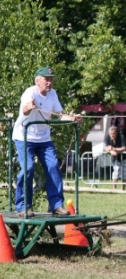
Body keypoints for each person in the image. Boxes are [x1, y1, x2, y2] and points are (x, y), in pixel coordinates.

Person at [12, 66, 81, 217]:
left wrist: (73, 119)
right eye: (46, 79)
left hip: (44, 139)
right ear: (38, 81)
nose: (49, 83)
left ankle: (56, 205)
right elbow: (24, 110)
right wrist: (29, 107)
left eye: (51, 80)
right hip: (25, 137)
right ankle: (23, 207)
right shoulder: (30, 92)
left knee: (53, 166)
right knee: (28, 169)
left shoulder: (53, 94)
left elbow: (60, 115)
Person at [104, 126, 126, 190]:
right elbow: (105, 147)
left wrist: (114, 149)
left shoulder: (121, 137)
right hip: (115, 158)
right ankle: (114, 188)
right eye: (111, 133)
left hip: (124, 157)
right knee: (116, 172)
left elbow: (124, 148)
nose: (112, 135)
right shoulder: (107, 137)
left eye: (114, 133)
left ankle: (123, 189)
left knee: (124, 173)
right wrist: (111, 151)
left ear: (117, 133)